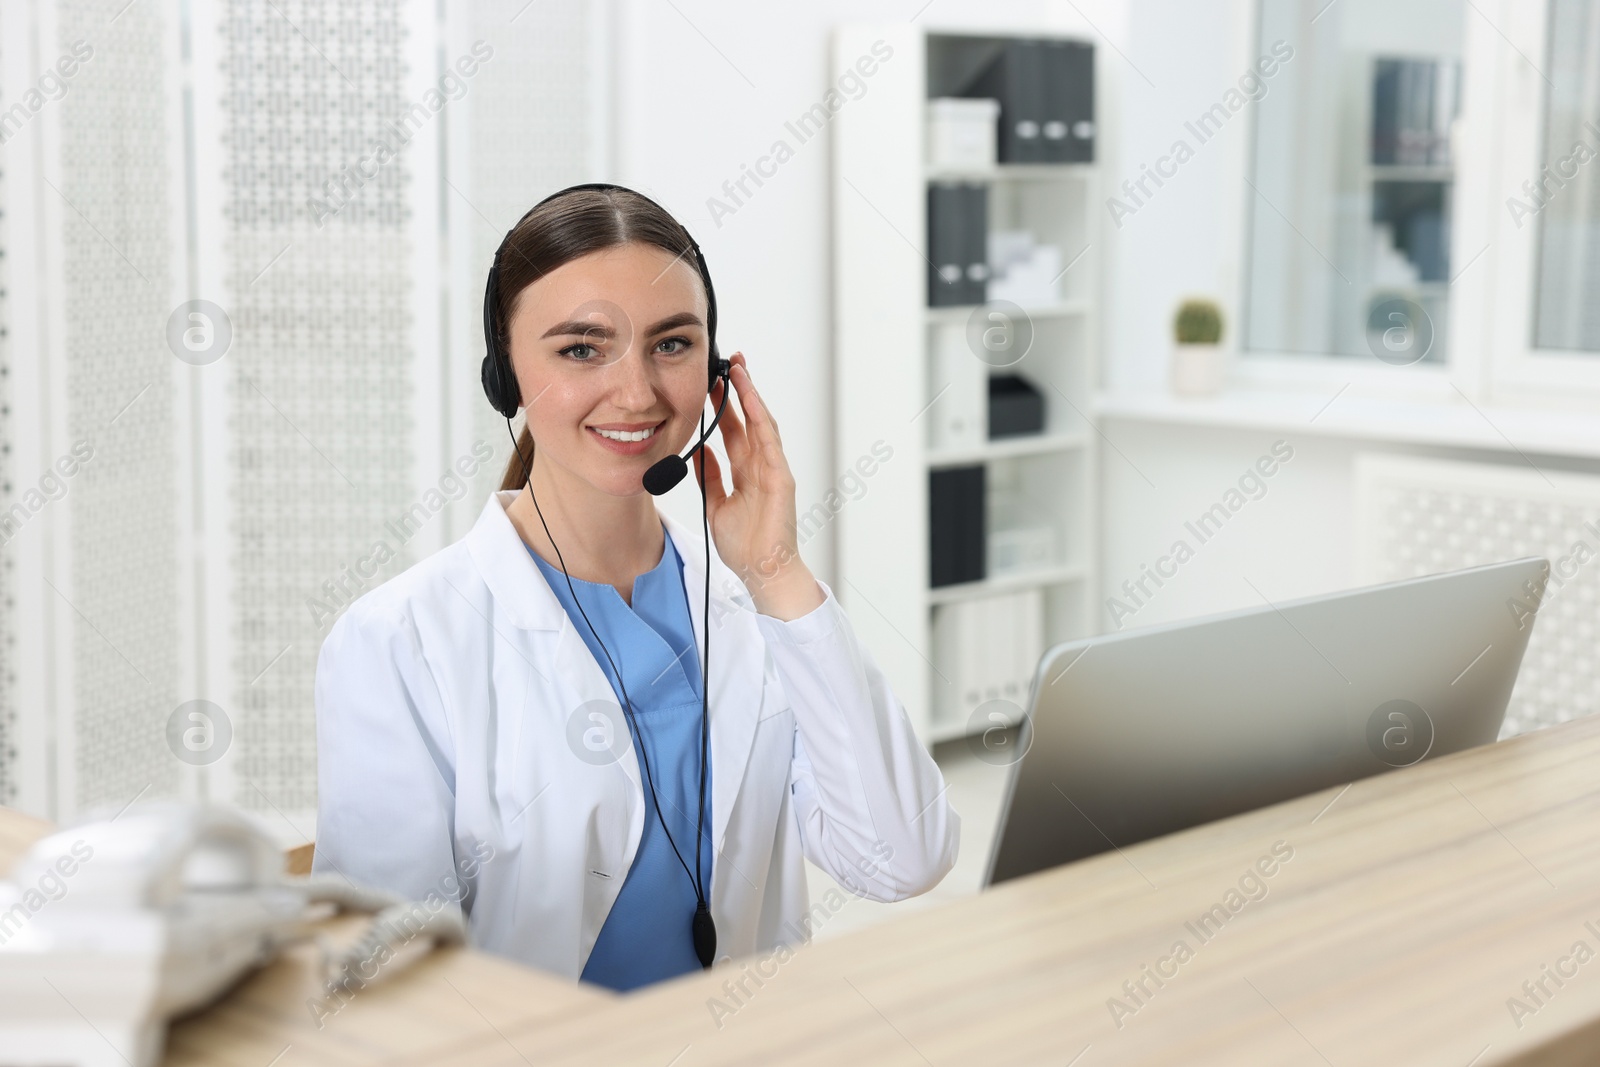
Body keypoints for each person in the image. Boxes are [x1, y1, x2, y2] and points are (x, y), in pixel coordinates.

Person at [311, 184, 958, 991]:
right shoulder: (401, 640)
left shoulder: (752, 609)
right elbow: (385, 980)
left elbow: (904, 858)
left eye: (672, 344)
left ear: (718, 373)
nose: (638, 392)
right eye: (581, 348)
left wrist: (777, 572)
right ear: (504, 377)